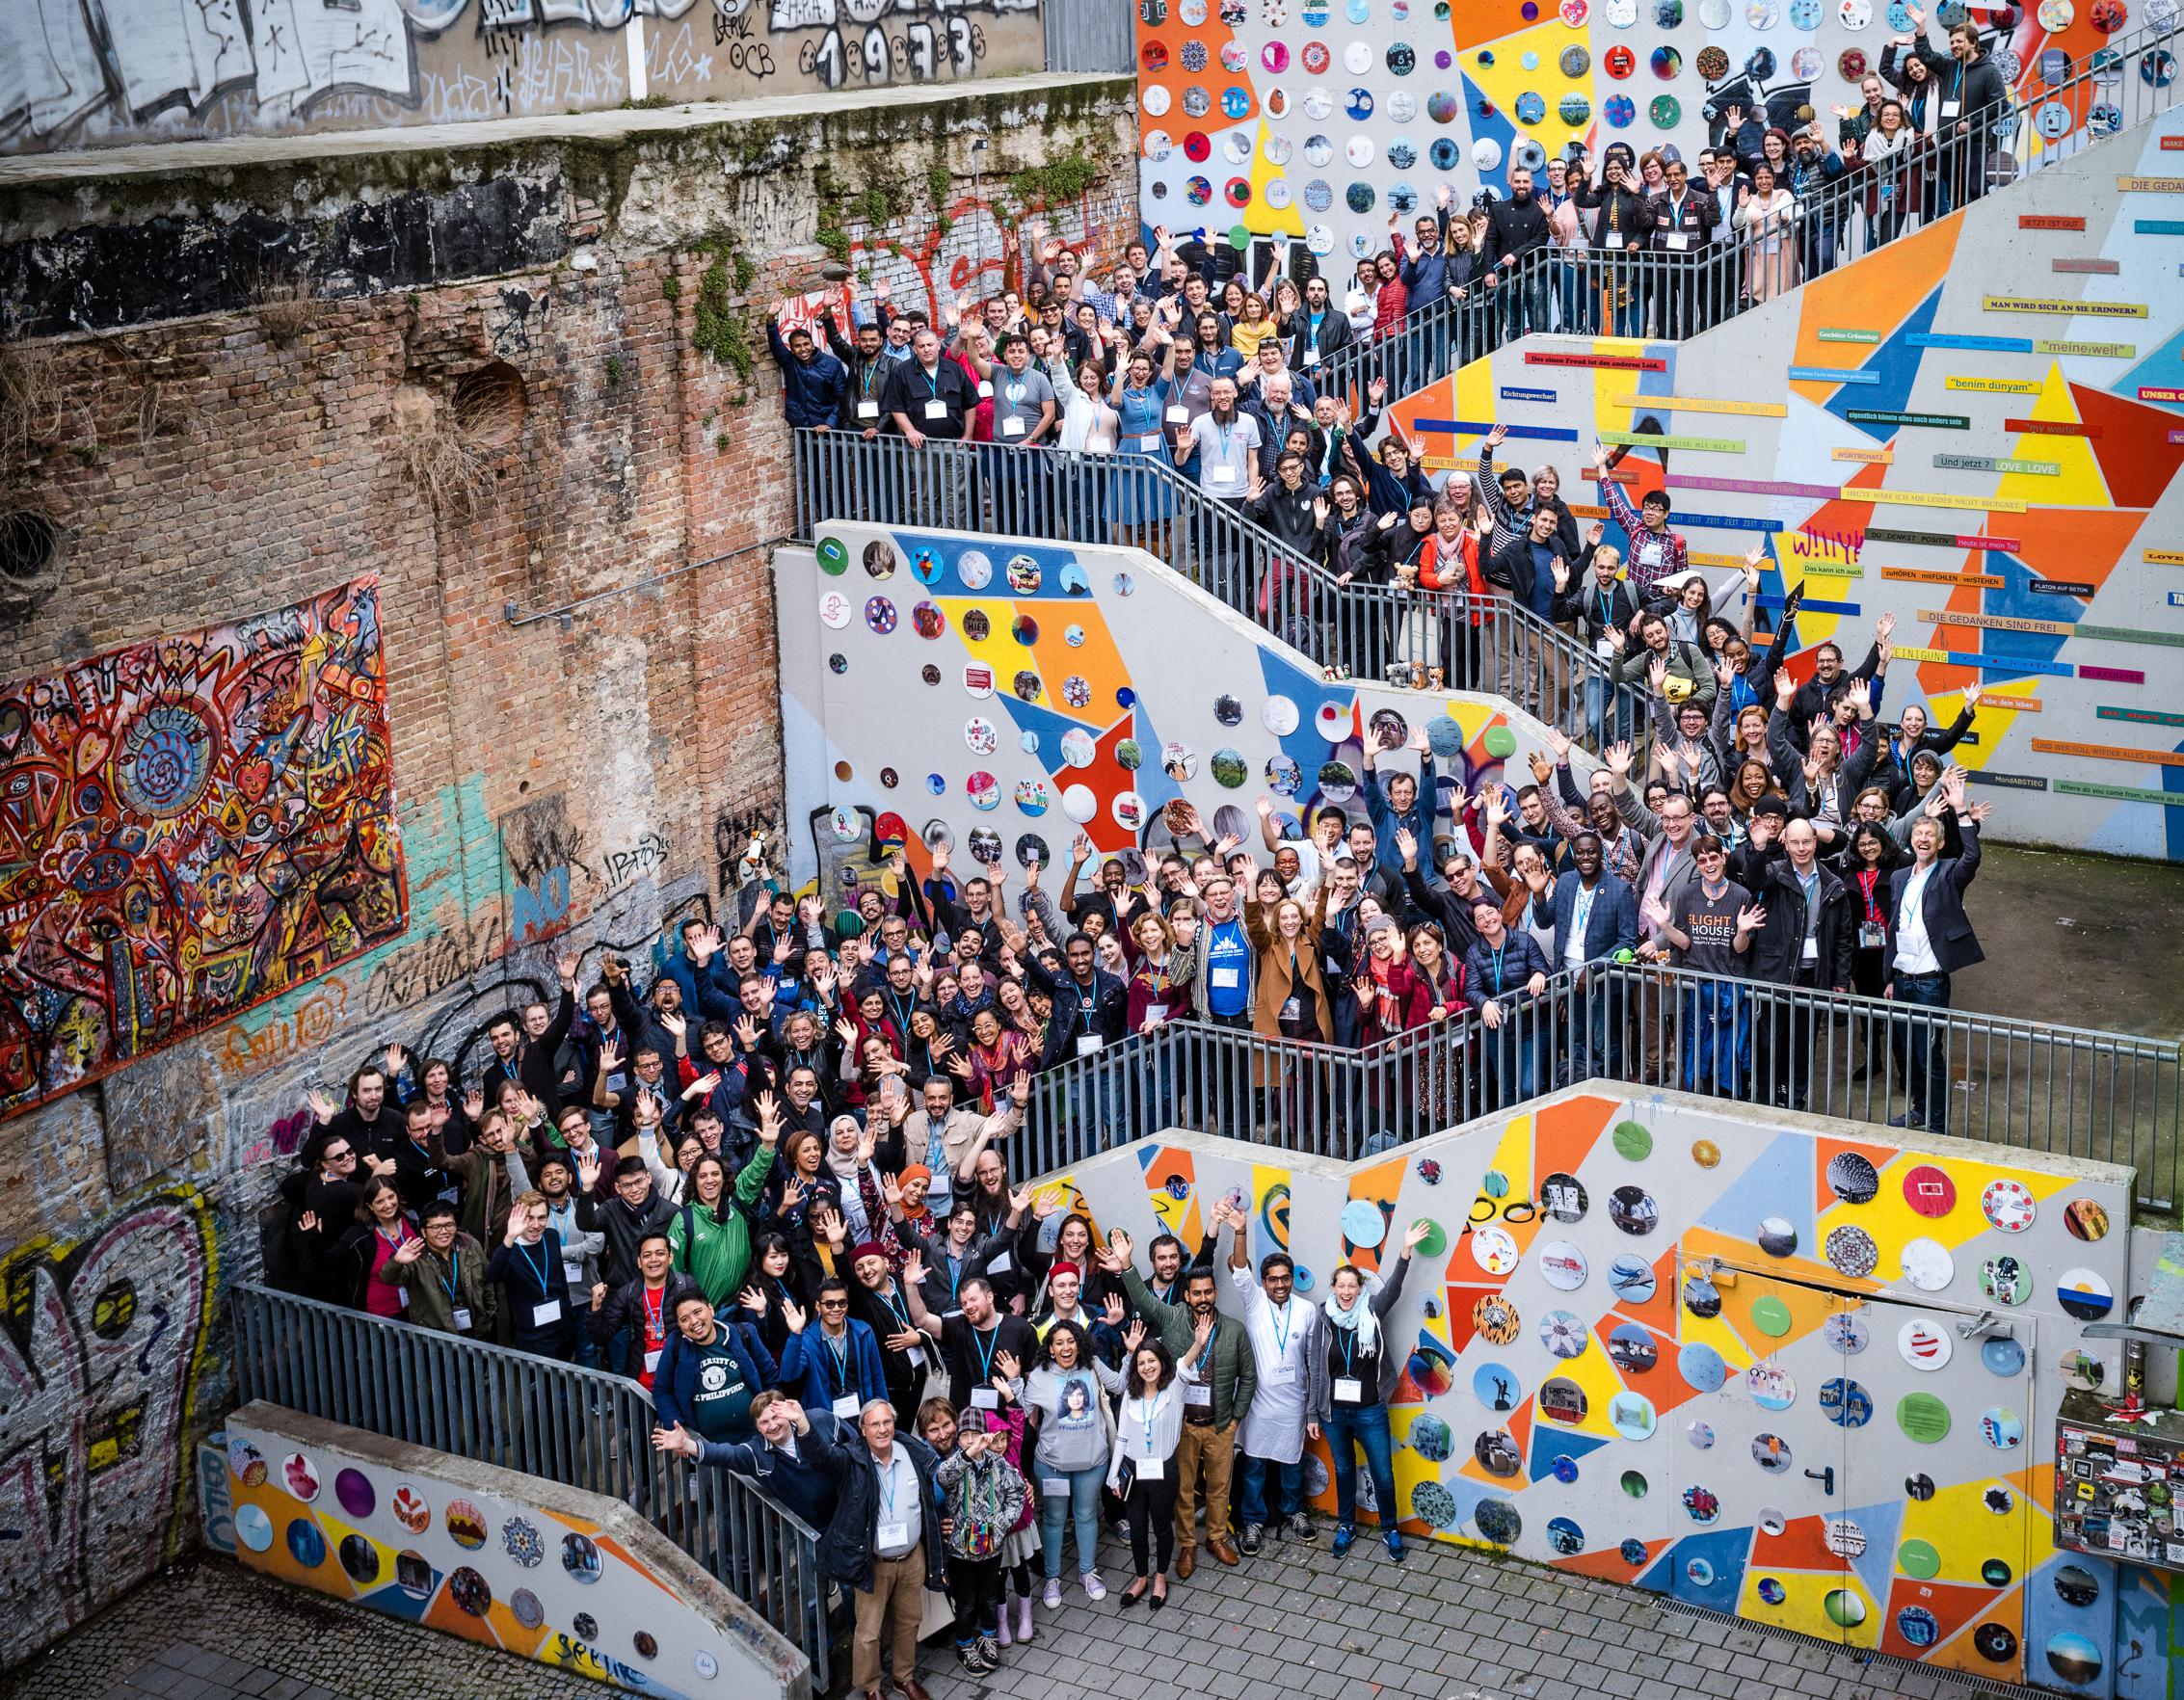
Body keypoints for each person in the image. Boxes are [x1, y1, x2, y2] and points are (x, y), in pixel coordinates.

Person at [1104, 1228, 1253, 1577]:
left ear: (1215, 1293)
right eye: (1196, 1292)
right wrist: (1126, 1263)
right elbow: (1142, 1298)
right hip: (1182, 1425)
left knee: (1219, 1489)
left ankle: (1216, 1538)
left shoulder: (1234, 1330)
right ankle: (1187, 1546)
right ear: (1186, 1295)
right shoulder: (1171, 1318)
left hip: (1220, 1424)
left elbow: (1248, 1378)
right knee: (1184, 1490)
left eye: (1208, 1291)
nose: (1202, 1298)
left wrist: (1234, 1420)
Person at [809, 1399, 946, 1700]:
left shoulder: (911, 1452)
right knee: (869, 1631)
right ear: (863, 1429)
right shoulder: (851, 1460)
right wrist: (802, 1425)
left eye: (887, 1422)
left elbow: (939, 1485)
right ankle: (871, 1686)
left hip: (912, 1557)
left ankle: (903, 1678)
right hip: (874, 1562)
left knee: (909, 1621)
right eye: (875, 1424)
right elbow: (819, 1457)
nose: (882, 1429)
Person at [1884, 771, 1987, 1134]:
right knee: (1909, 1056)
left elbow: (1971, 858)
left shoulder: (1948, 874)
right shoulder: (1900, 878)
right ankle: (1918, 1111)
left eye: (1930, 835)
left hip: (1930, 984)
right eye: (1919, 834)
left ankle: (1937, 1123)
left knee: (1929, 1057)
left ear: (1941, 843)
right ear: (1911, 840)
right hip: (1902, 979)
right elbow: (1895, 929)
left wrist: (1961, 814)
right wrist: (1890, 978)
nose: (1923, 839)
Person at [1224, 1197, 1326, 1554]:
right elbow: (1239, 1268)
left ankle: (1294, 1512)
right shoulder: (1253, 1302)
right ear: (1263, 1282)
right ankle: (1252, 1521)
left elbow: (1313, 1363)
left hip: (1294, 1404)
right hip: (1257, 1404)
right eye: (1272, 1279)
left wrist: (1313, 1409)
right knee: (1253, 1465)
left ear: (1291, 1279)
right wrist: (1240, 1230)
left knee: (1292, 1464)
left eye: (1285, 1278)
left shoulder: (1307, 1310)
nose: (1279, 1285)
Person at [1319, 1220, 1427, 1559]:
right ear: (1333, 1288)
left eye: (1353, 1285)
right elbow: (1314, 1369)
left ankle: (1390, 1529)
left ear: (1360, 1288)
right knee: (1343, 1470)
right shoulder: (1323, 1318)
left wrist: (1405, 1251)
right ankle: (1346, 1526)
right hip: (1335, 1412)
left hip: (1369, 1410)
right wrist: (1313, 1412)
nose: (1347, 1291)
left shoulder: (1372, 1311)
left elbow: (1393, 1289)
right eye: (1342, 1285)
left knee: (1382, 1471)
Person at [1743, 817, 1856, 1111]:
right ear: (1786, 843)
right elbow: (1754, 879)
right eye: (1795, 842)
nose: (1802, 848)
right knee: (1768, 1040)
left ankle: (1793, 1096)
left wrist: (1841, 980)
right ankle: (1766, 1093)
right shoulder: (1775, 873)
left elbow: (1844, 938)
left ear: (1815, 843)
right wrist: (1758, 848)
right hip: (1776, 974)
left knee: (1803, 1043)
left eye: (1807, 841)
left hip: (1813, 976)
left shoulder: (1833, 884)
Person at [1644, 836, 1764, 1097]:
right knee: (1698, 1054)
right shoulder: (1687, 894)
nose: (1709, 864)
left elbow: (1740, 948)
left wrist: (1742, 931)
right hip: (1697, 989)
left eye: (1713, 858)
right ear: (1697, 864)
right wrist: (1665, 926)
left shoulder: (1740, 894)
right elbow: (1685, 942)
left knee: (1729, 1055)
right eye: (1702, 860)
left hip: (1729, 990)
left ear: (1723, 858)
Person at [1023, 1318, 1126, 1606]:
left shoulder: (1091, 1365)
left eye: (1071, 1341)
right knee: (1054, 1520)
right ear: (1051, 1349)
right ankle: (1052, 1578)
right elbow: (1022, 1411)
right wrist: (1015, 1382)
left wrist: (1129, 1354)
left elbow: (1119, 1383)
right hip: (1052, 1465)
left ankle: (1087, 1572)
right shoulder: (1041, 1376)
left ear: (1079, 1344)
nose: (1066, 1347)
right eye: (1059, 1343)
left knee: (1086, 1516)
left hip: (1092, 1462)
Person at [929, 1398, 1032, 1670]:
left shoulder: (998, 1464)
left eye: (976, 1434)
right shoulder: (954, 1464)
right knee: (965, 1602)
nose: (971, 1440)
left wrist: (1000, 1526)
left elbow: (1017, 1492)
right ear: (958, 1439)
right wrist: (967, 1454)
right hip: (960, 1551)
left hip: (991, 1547)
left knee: (989, 1596)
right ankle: (964, 1643)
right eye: (965, 1436)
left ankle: (989, 1638)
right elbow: (943, 1477)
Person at [1109, 1331, 1184, 1608]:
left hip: (1163, 1472)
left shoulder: (1174, 1391)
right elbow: (1122, 1437)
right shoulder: (1131, 1394)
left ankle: (1161, 1578)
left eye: (1152, 1361)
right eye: (1141, 1363)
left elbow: (1186, 1366)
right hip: (1133, 1471)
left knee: (1162, 1527)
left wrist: (1199, 1343)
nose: (1147, 1367)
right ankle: (1141, 1578)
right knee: (1138, 1530)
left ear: (1162, 1362)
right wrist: (1113, 1474)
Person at [653, 1291, 778, 1448]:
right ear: (679, 1325)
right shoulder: (676, 1345)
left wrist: (771, 1415)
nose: (694, 1321)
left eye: (698, 1312)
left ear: (711, 1310)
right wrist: (677, 1428)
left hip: (756, 1439)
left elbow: (770, 1375)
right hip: (706, 1448)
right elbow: (661, 1390)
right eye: (685, 1319)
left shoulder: (743, 1333)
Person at [486, 1190, 580, 1361]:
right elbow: (492, 1275)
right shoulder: (509, 1250)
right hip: (533, 1337)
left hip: (562, 1330)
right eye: (529, 1218)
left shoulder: (551, 1237)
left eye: (541, 1218)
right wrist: (509, 1237)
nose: (536, 1225)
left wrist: (569, 1320)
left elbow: (560, 1280)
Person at [375, 1200, 491, 1336]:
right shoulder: (415, 1255)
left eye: (449, 1225)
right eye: (436, 1227)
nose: (444, 1231)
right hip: (436, 1338)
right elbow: (388, 1279)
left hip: (476, 1331)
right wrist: (397, 1262)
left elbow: (487, 1281)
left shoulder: (469, 1244)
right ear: (424, 1231)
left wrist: (487, 1317)